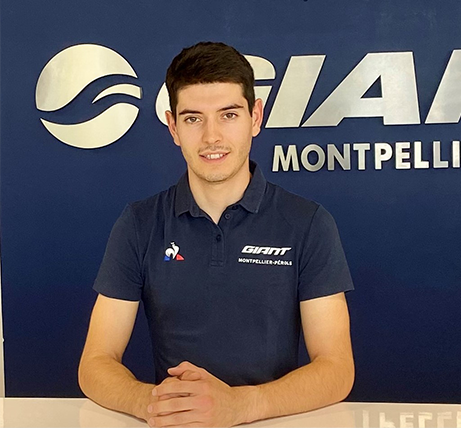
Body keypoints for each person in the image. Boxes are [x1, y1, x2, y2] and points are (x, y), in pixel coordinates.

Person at [79, 42, 355, 427]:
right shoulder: (140, 223)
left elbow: (337, 368)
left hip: (273, 421)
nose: (212, 137)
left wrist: (239, 406)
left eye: (228, 115)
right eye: (193, 119)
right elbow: (95, 362)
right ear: (173, 127)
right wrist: (152, 403)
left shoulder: (308, 222)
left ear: (255, 117)